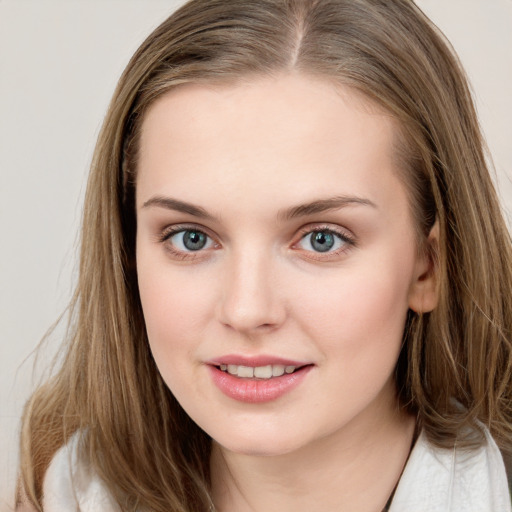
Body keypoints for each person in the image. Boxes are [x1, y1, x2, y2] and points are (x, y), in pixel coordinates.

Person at [16, 0, 512, 511]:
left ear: (428, 267)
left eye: (322, 238)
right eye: (191, 237)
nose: (247, 310)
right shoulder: (64, 493)